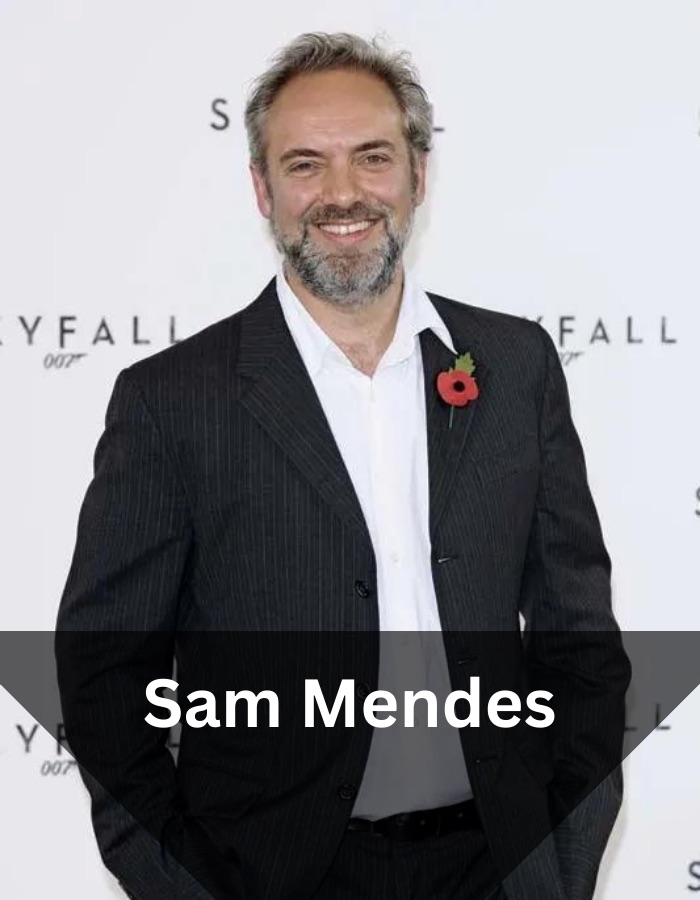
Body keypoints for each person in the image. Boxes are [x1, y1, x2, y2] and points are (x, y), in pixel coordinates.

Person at [55, 32, 630, 900]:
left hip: (497, 870)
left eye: (372, 157)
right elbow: (103, 677)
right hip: (273, 876)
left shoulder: (515, 368)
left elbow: (580, 647)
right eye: (304, 165)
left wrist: (558, 867)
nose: (343, 194)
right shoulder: (172, 400)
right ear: (262, 188)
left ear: (418, 174)